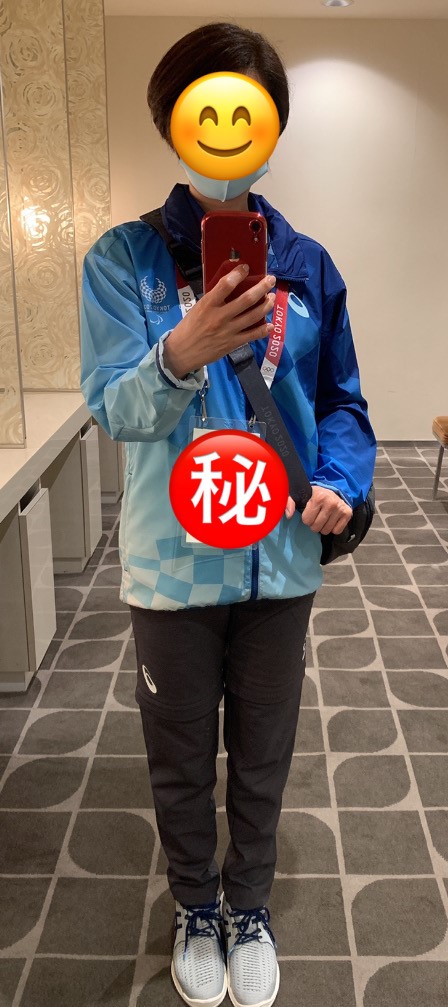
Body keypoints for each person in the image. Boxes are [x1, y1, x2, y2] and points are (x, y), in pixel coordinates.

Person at [80, 21, 376, 1007]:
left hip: (279, 559)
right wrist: (181, 351)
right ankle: (194, 908)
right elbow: (114, 409)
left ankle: (246, 906)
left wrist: (340, 478)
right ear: (171, 122)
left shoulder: (307, 264)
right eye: (200, 107)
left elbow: (342, 403)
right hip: (170, 566)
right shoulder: (122, 261)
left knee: (263, 746)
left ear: (270, 128)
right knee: (177, 756)